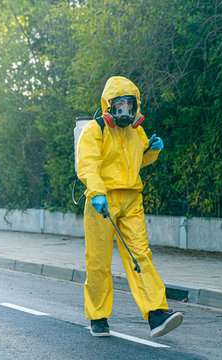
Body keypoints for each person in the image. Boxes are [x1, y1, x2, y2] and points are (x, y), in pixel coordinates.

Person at [76, 76, 183, 338]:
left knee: (140, 255)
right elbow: (87, 164)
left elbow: (134, 162)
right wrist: (97, 192)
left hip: (132, 199)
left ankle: (156, 313)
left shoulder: (136, 130)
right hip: (102, 201)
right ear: (109, 105)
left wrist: (152, 151)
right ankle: (98, 317)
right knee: (98, 262)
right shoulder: (95, 129)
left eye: (129, 103)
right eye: (120, 103)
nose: (125, 108)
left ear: (136, 105)